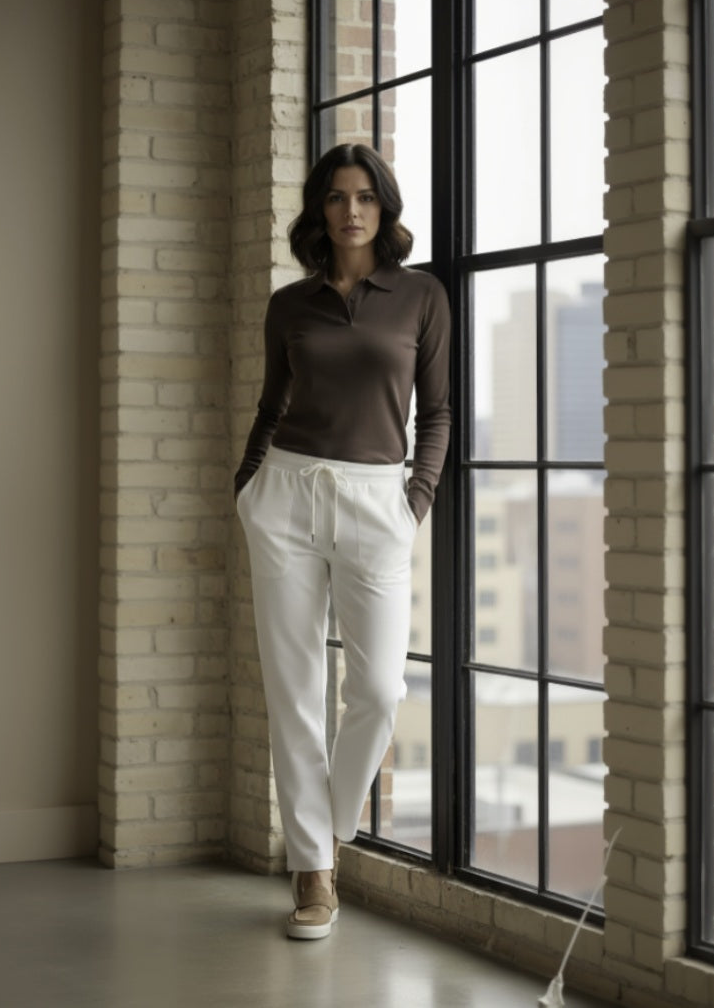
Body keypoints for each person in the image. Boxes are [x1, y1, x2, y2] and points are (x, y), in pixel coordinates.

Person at [234, 142, 451, 939]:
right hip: (286, 495)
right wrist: (248, 487)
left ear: (383, 208)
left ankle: (323, 827)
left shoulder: (422, 297)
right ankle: (313, 874)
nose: (350, 210)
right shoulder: (290, 305)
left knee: (380, 691)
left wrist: (415, 500)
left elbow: (438, 413)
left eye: (365, 196)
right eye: (336, 197)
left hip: (375, 502)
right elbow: (269, 403)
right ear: (319, 210)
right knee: (295, 691)